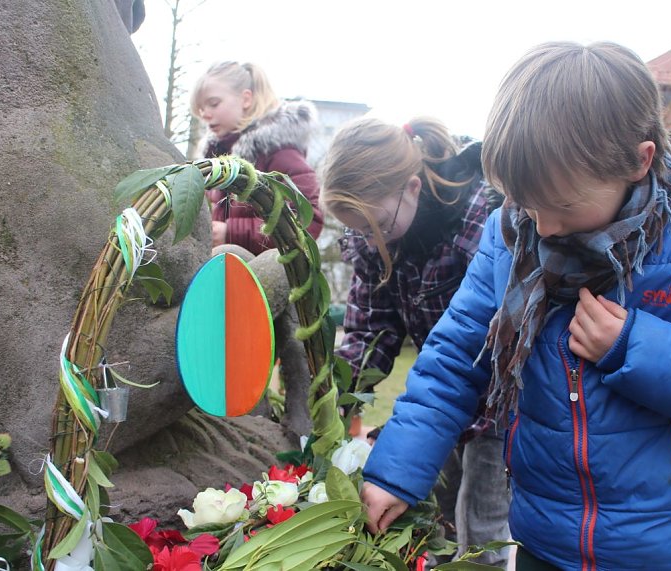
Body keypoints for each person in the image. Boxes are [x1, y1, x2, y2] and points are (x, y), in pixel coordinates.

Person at [360, 41, 671, 571]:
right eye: (526, 202)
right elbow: (453, 359)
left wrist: (634, 347)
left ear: (639, 160)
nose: (541, 228)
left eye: (561, 205)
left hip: (665, 549)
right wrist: (395, 472)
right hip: (543, 538)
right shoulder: (508, 237)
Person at [321, 116, 510, 567]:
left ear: (411, 187)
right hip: (439, 400)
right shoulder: (377, 240)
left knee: (481, 522)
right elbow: (371, 330)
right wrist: (338, 395)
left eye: (375, 226)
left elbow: (498, 333)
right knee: (434, 514)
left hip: (499, 402)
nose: (369, 239)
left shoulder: (478, 220)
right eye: (359, 231)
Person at [191, 61, 323, 254]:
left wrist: (232, 232)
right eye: (201, 109)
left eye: (213, 104)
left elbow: (307, 221)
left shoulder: (279, 153)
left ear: (246, 99)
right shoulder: (217, 158)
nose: (206, 115)